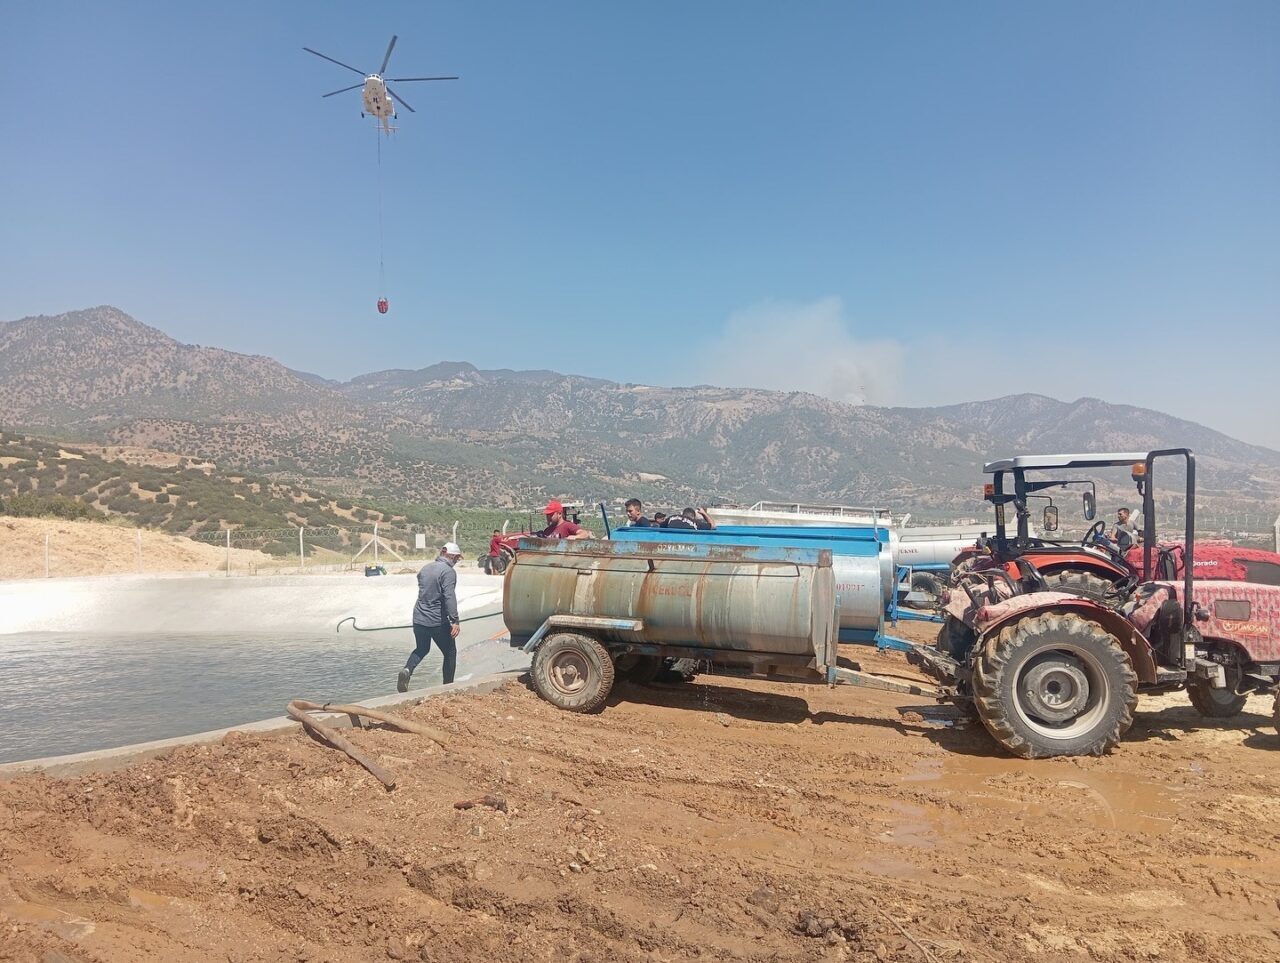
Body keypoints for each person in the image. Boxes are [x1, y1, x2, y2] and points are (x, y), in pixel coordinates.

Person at [398, 542, 463, 692]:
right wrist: (454, 620)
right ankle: (447, 687)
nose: (457, 561)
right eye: (457, 558)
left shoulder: (425, 568)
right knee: (450, 652)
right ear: (452, 556)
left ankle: (407, 670)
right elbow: (449, 596)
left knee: (422, 648)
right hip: (436, 621)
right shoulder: (448, 572)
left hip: (419, 618)